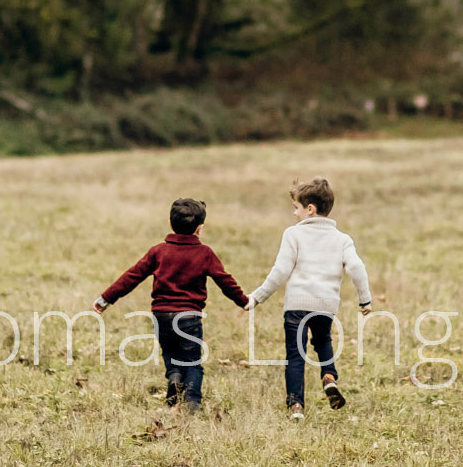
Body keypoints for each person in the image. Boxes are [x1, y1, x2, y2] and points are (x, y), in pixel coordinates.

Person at [95, 197, 248, 410]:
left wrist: (106, 298)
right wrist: (243, 301)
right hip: (189, 316)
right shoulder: (205, 253)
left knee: (170, 352)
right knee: (193, 360)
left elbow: (132, 276)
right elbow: (225, 280)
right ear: (199, 229)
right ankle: (193, 401)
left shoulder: (158, 251)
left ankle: (174, 377)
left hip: (161, 315)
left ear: (170, 224)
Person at [248, 177, 372, 419]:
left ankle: (296, 405)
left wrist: (257, 297)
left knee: (295, 354)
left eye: (296, 207)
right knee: (323, 341)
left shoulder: (293, 235)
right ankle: (329, 376)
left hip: (296, 305)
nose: (294, 213)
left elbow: (281, 271)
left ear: (310, 209)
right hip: (325, 306)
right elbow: (356, 267)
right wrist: (364, 299)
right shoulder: (342, 239)